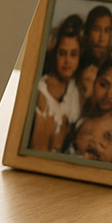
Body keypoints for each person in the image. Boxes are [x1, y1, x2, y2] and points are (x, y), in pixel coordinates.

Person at [30, 16, 82, 152]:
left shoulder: (74, 91)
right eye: (62, 53)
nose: (67, 61)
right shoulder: (42, 90)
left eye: (73, 54)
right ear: (55, 54)